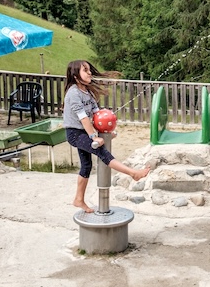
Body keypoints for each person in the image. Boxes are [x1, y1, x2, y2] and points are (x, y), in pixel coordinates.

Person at [63, 59, 150, 213]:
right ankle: (133, 173)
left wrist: (106, 131)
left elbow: (97, 114)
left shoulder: (87, 92)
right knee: (103, 153)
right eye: (85, 70)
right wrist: (93, 137)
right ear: (76, 76)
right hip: (75, 133)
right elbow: (83, 118)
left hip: (84, 131)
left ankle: (78, 199)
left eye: (89, 69)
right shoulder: (74, 93)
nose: (89, 72)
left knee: (86, 166)